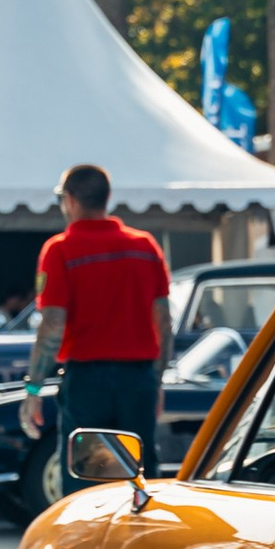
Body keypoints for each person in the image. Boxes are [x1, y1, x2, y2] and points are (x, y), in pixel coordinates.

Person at [20, 165, 174, 467]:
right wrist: (156, 382)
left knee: (85, 475)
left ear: (71, 199)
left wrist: (34, 388)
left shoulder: (60, 250)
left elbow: (52, 326)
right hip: (138, 379)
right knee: (138, 472)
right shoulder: (145, 247)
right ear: (108, 198)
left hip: (87, 381)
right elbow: (164, 323)